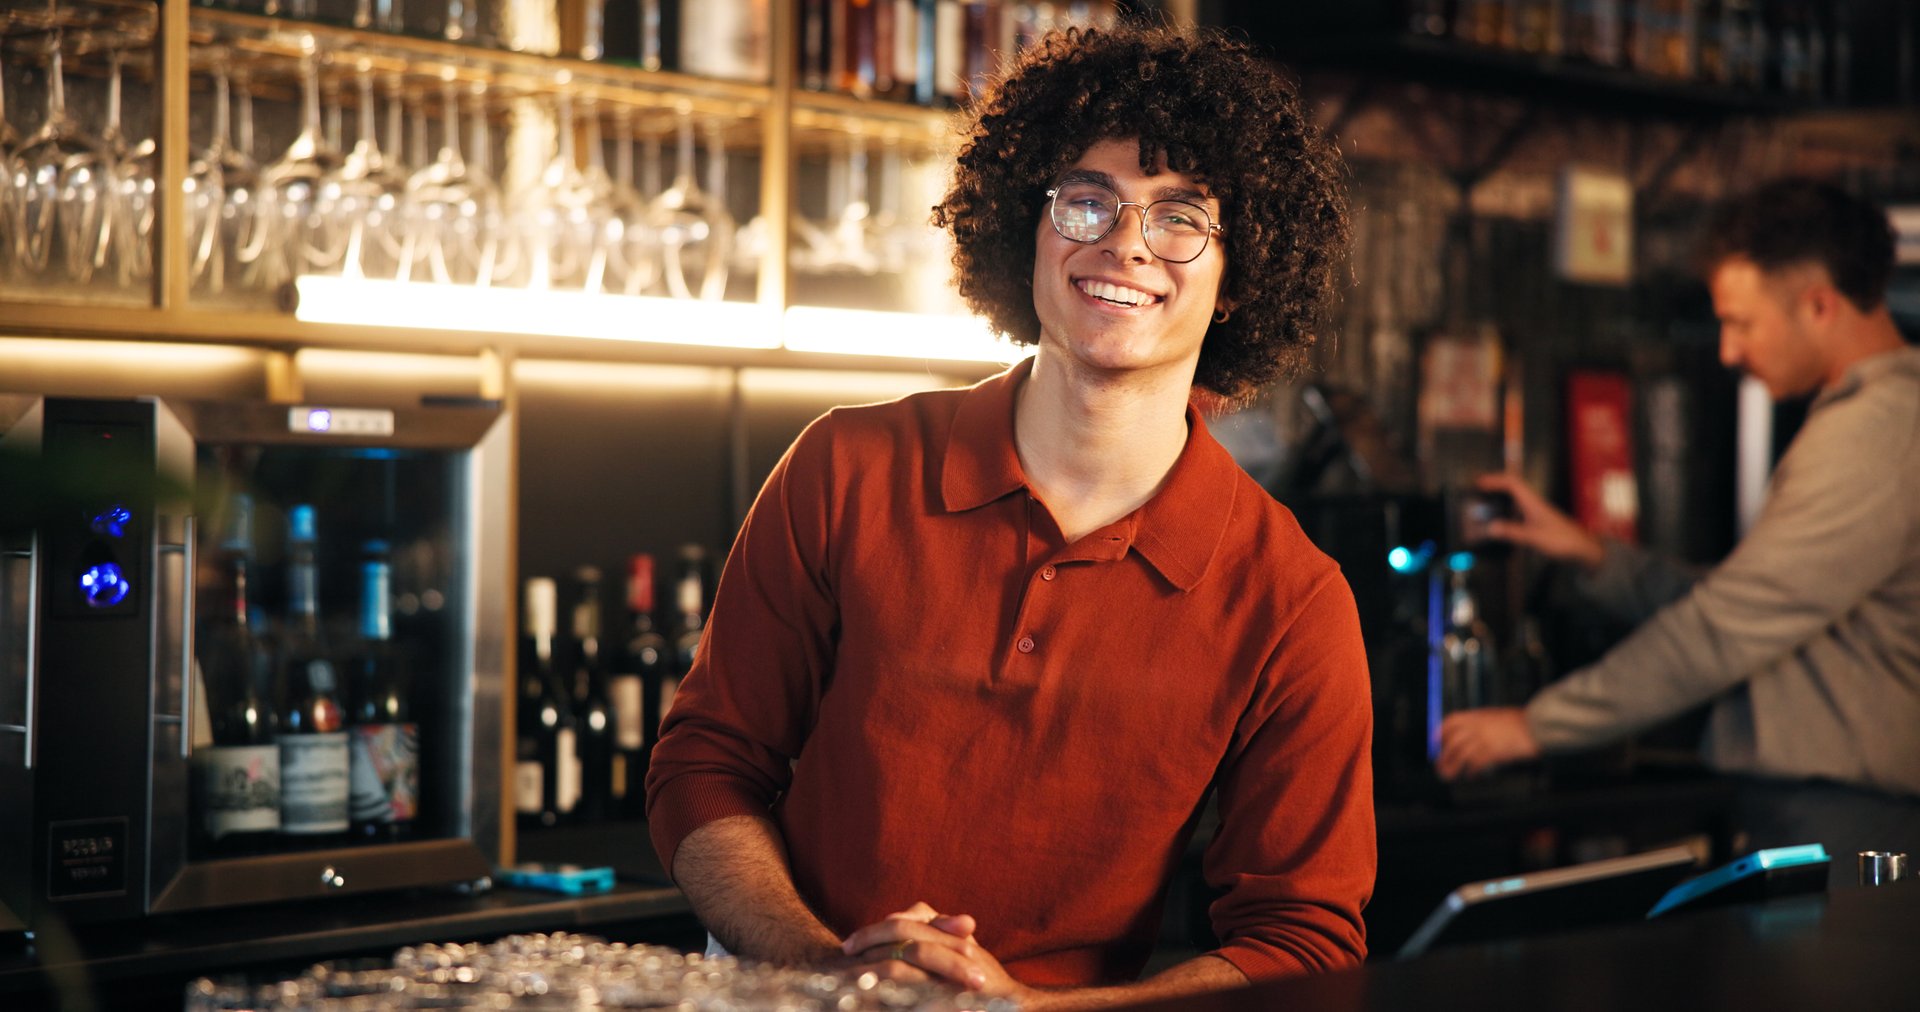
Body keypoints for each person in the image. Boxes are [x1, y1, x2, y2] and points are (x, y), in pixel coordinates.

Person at [645, 23, 1373, 1008]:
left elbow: (1306, 939)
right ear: (1023, 225)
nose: (1125, 243)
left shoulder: (1292, 602)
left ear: (1241, 278)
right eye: (1088, 201)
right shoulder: (843, 468)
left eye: (1181, 218)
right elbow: (705, 768)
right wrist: (828, 966)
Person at [1439, 179, 1920, 877]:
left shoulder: (1873, 430)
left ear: (1819, 305)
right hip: (1836, 804)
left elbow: (1727, 626)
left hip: (1848, 812)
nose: (1727, 351)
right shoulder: (1877, 419)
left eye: (1742, 323)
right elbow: (1759, 604)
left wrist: (1534, 726)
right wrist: (1591, 552)